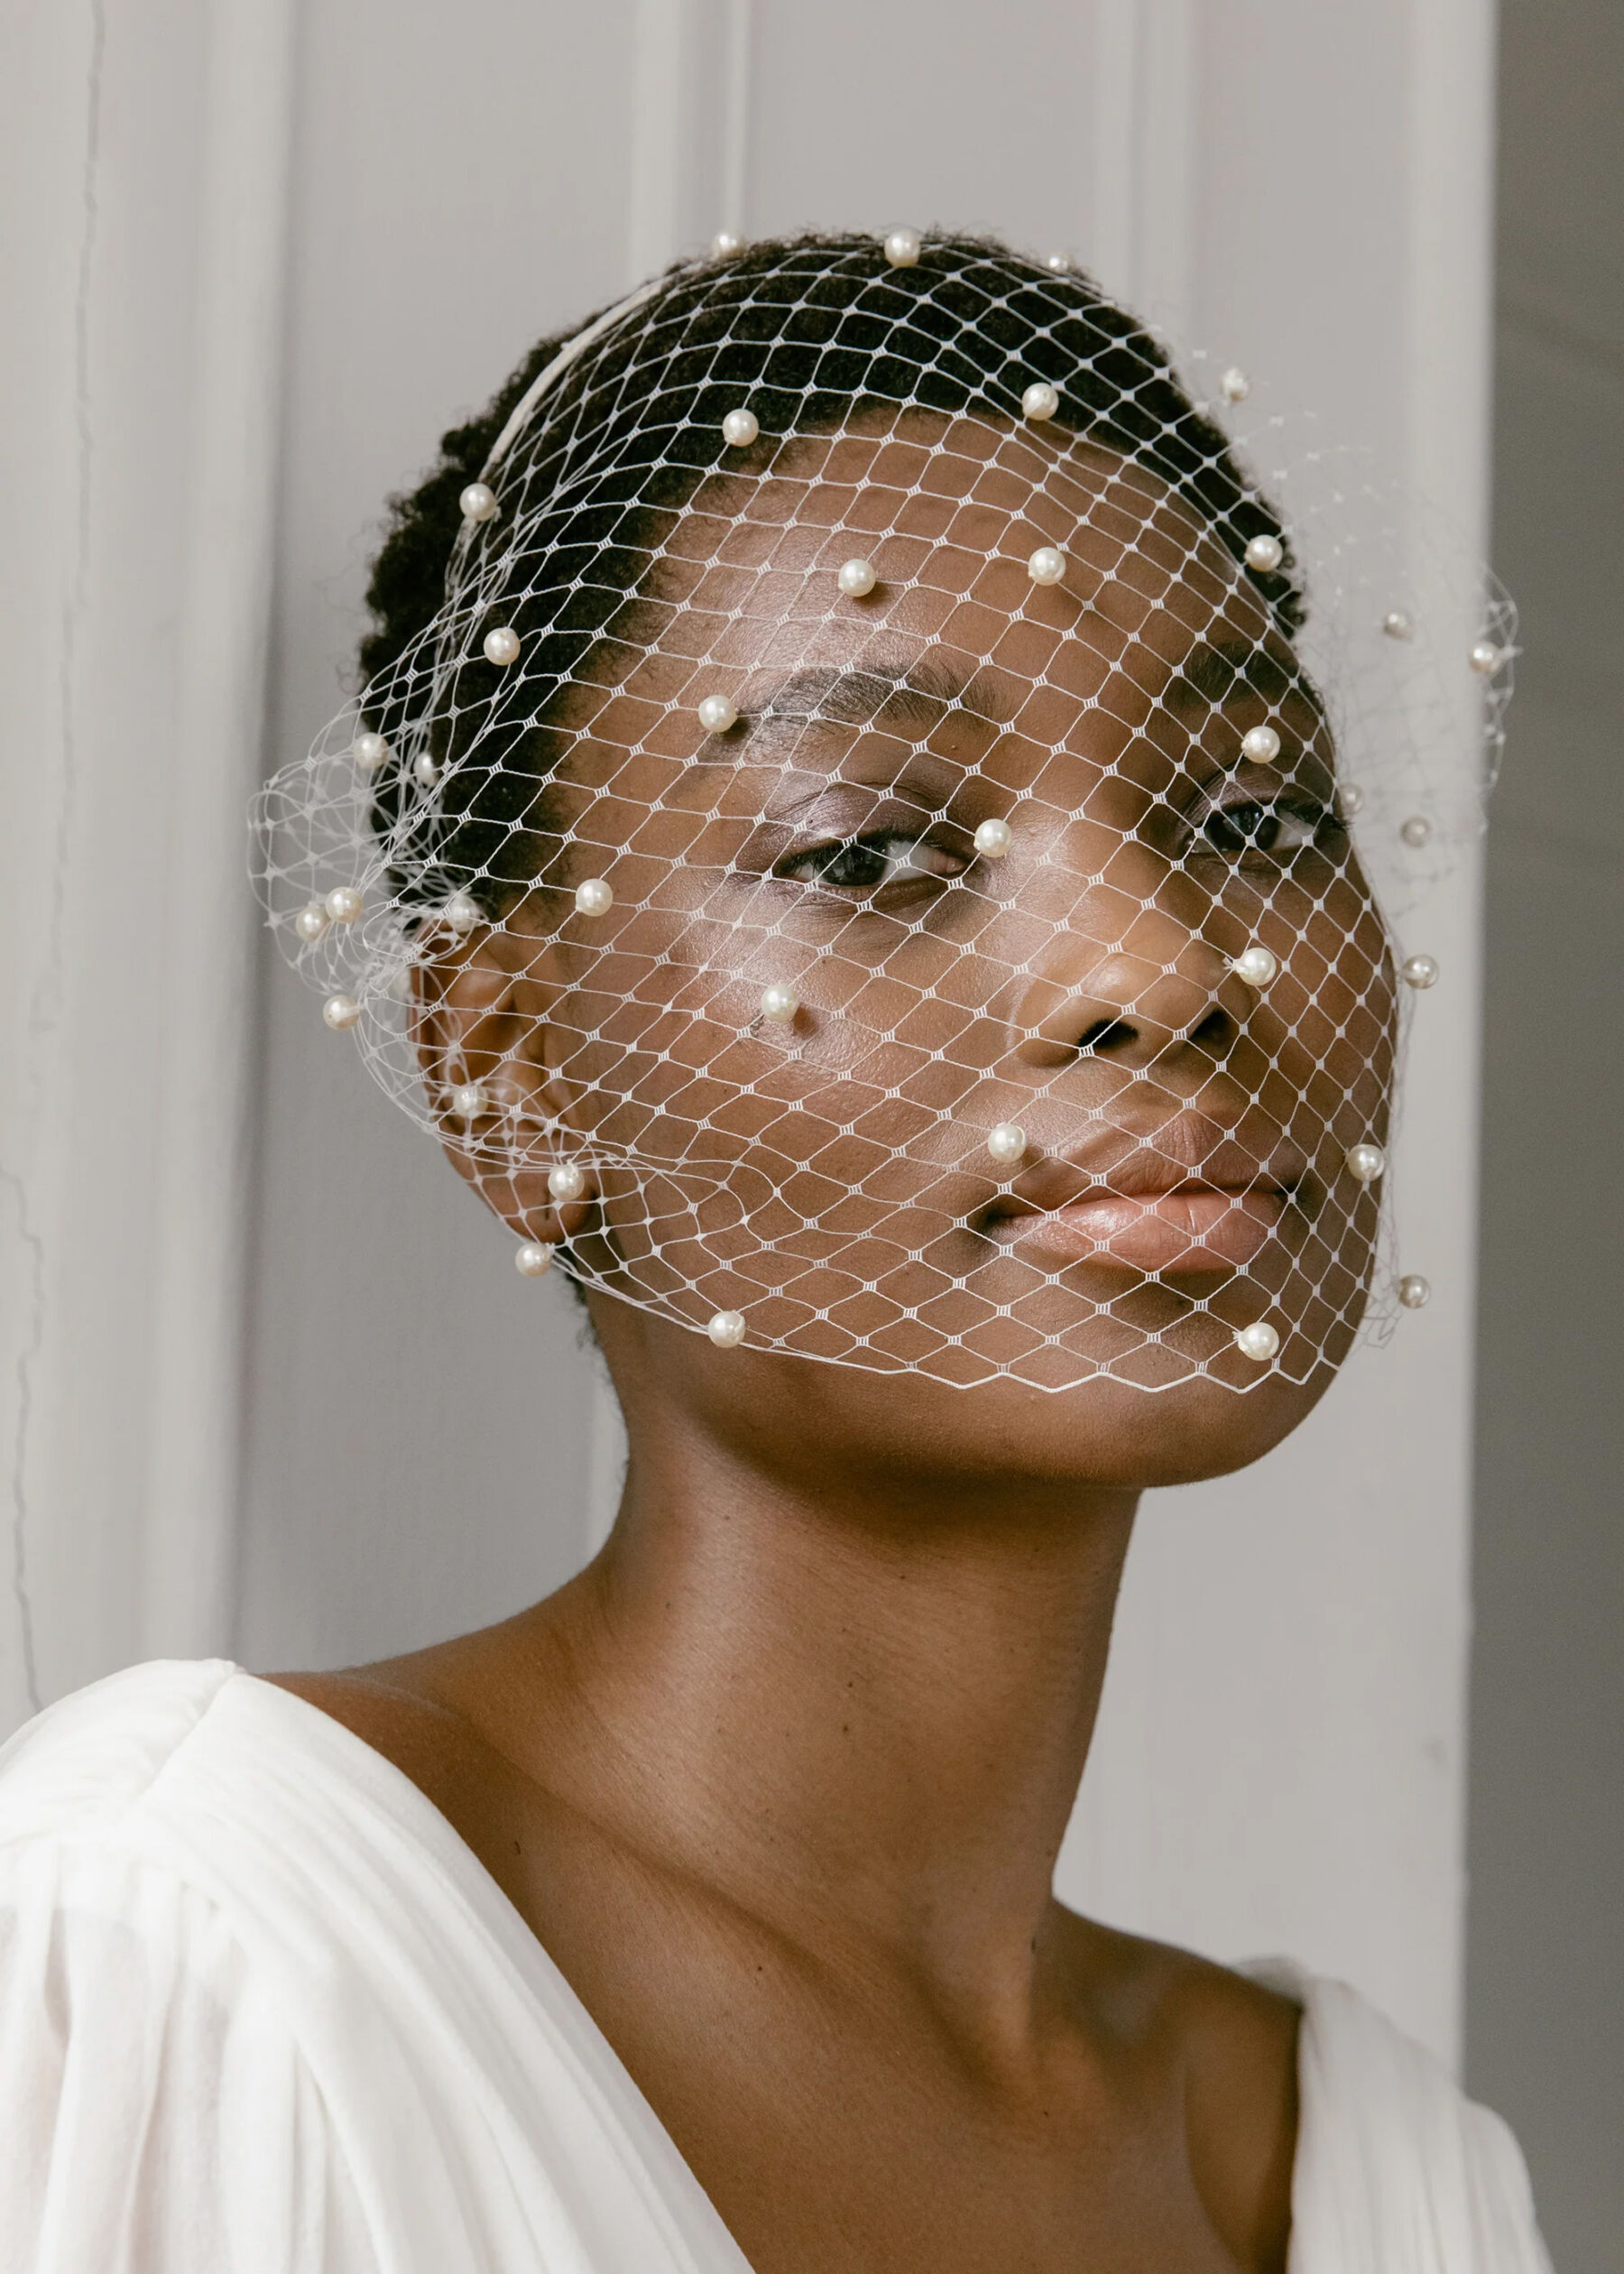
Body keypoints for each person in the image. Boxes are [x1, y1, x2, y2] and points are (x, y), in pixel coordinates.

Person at [0, 234, 1546, 2271]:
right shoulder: (197, 1949)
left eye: (1247, 810)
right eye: (874, 852)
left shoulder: (1362, 2172)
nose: (1163, 970)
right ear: (515, 1077)